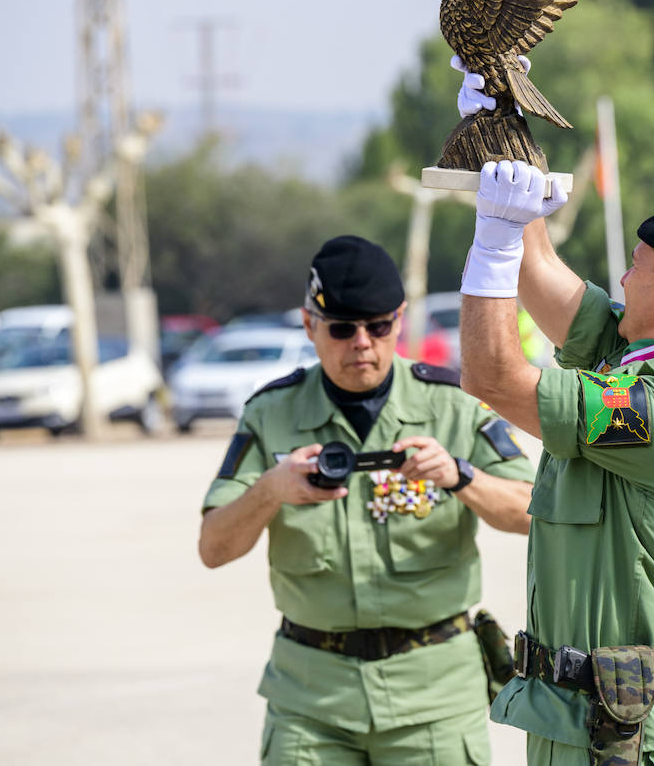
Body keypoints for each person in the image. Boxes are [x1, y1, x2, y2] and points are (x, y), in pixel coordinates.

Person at [453, 158, 654, 765]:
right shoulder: (642, 358)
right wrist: (505, 136)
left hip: (628, 743)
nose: (624, 279)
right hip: (578, 724)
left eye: (635, 265)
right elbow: (543, 269)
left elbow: (492, 376)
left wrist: (491, 240)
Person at [197, 235, 536, 765]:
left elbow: (533, 512)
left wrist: (459, 476)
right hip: (312, 699)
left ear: (398, 320)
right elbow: (213, 547)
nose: (362, 342)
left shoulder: (453, 403)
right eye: (342, 328)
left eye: (378, 326)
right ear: (310, 325)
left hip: (434, 698)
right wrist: (270, 490)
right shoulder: (270, 413)